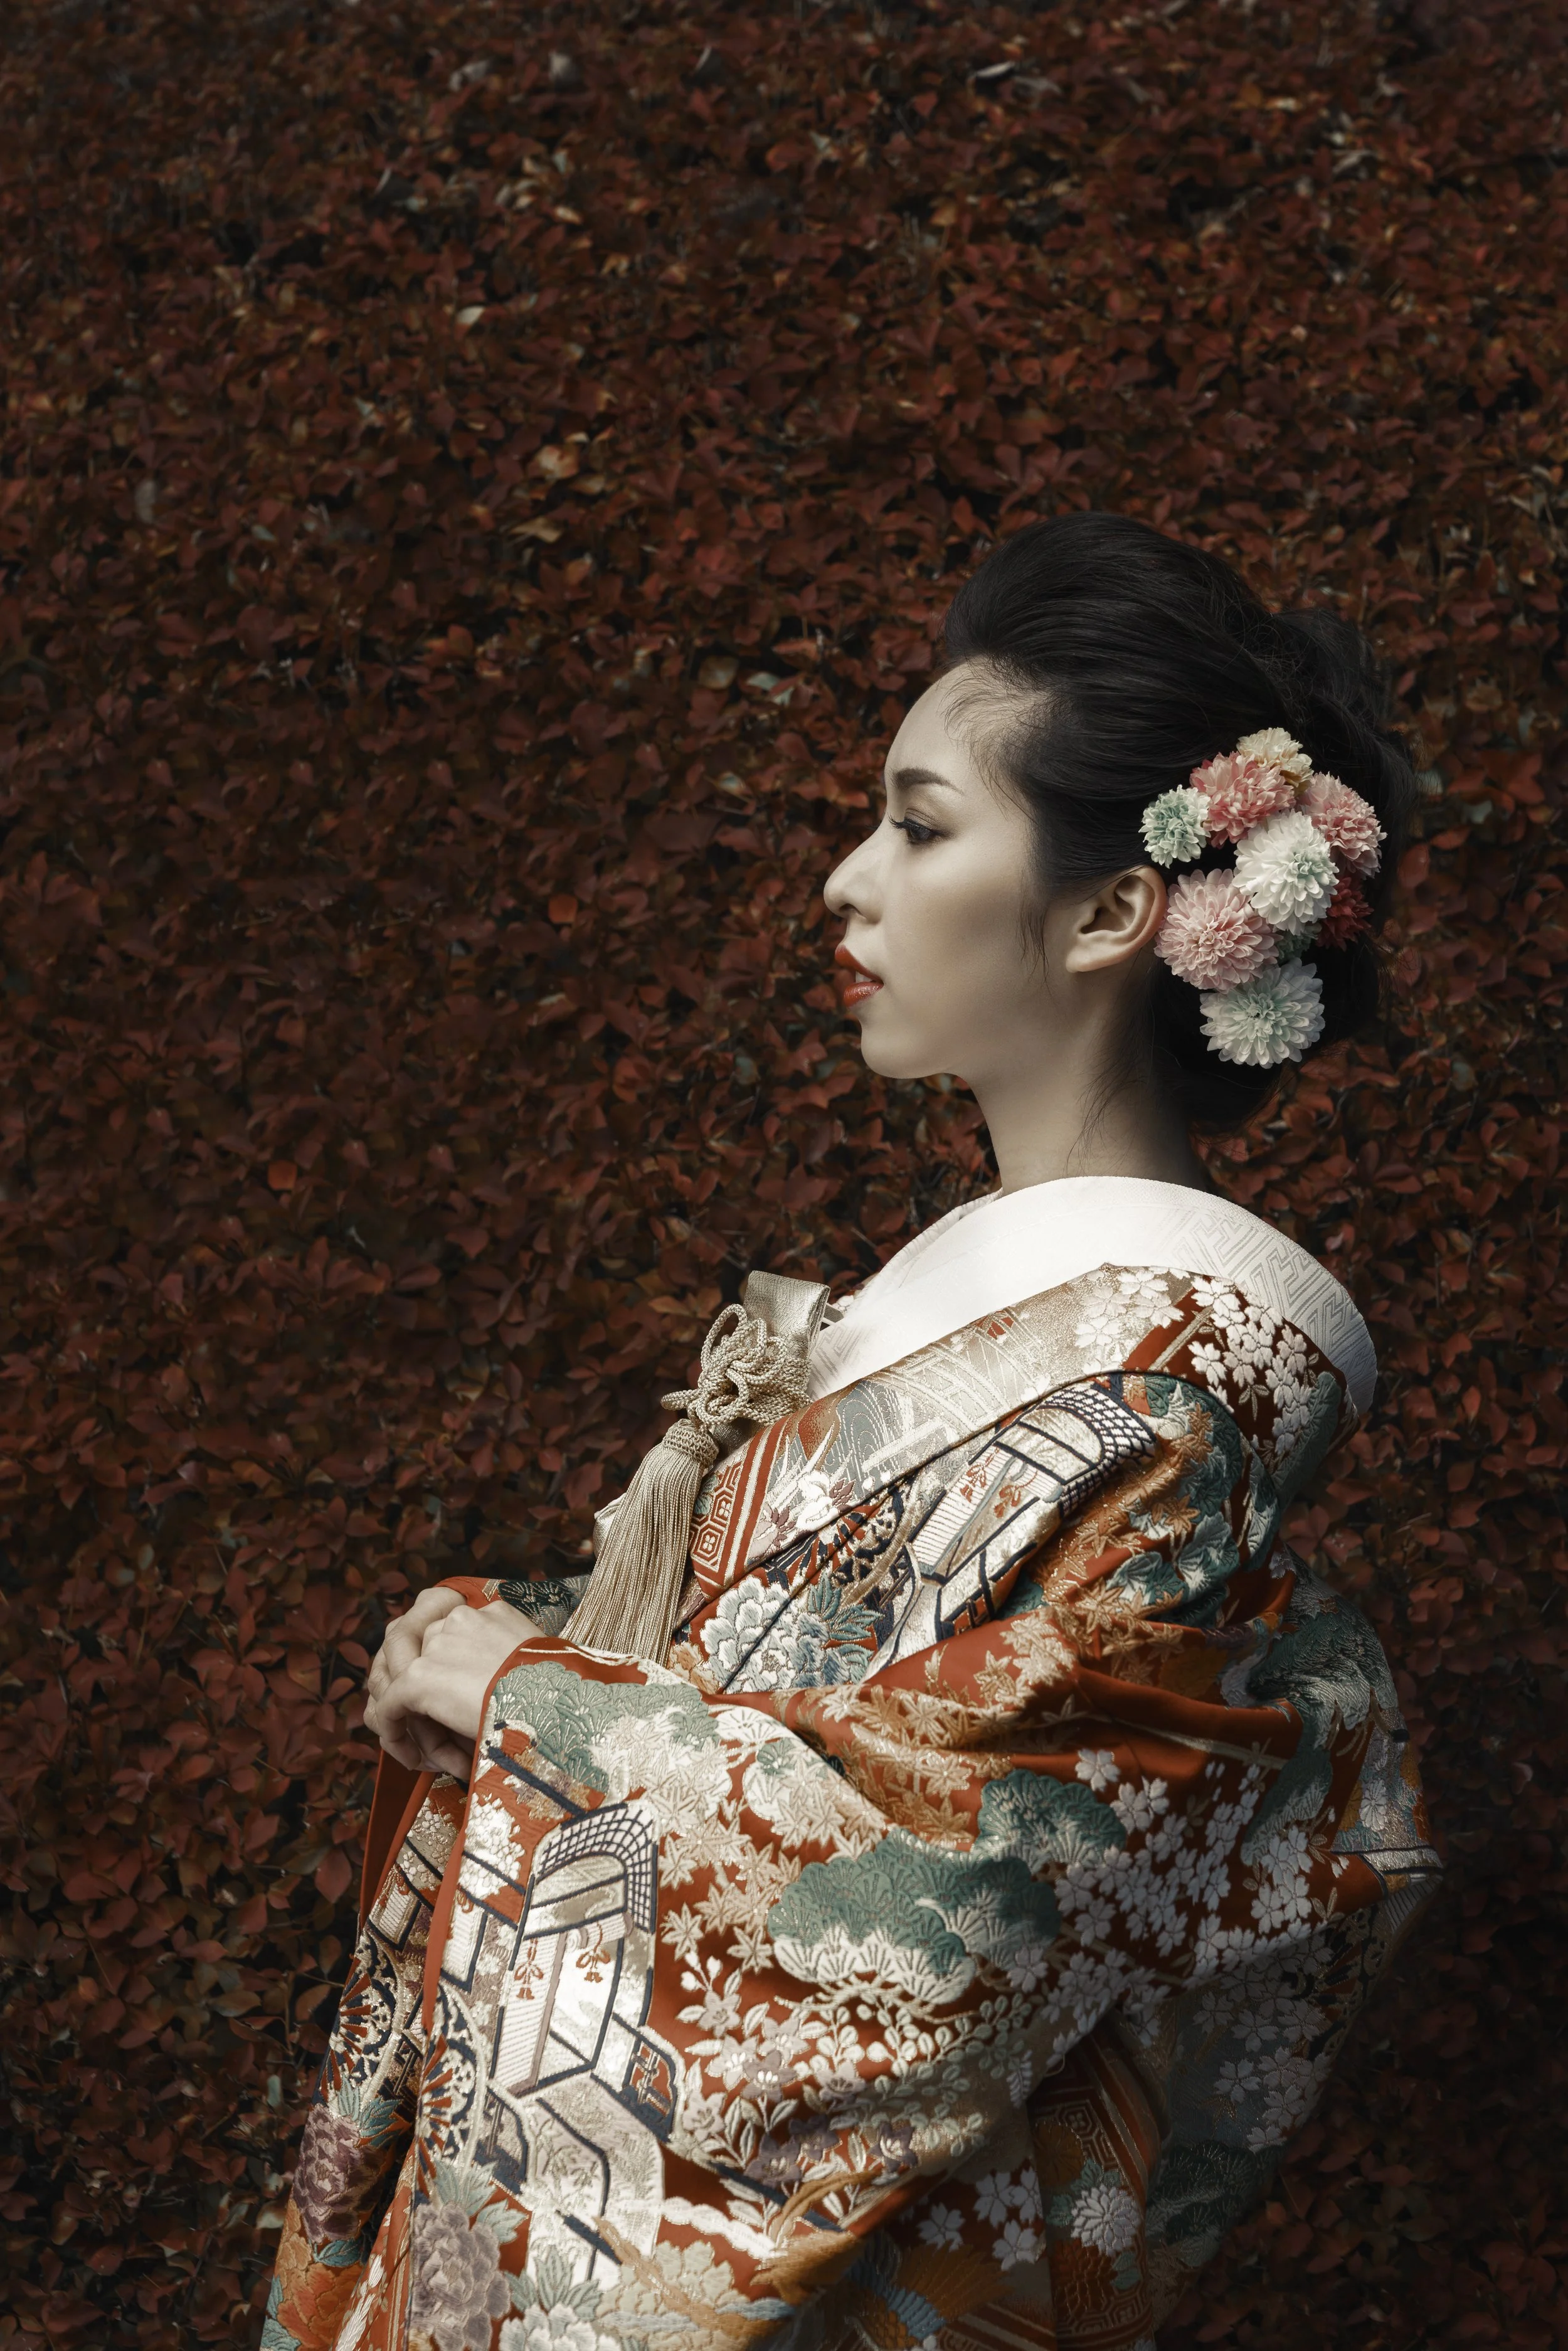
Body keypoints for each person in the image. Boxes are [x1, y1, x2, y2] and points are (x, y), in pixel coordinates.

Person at [265, 514, 1439, 2351]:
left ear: (1114, 909)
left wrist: (539, 1713)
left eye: (917, 821)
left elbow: (959, 1894)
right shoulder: (997, 1321)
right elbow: (773, 1707)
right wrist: (504, 1656)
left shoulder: (1164, 1381)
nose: (843, 879)